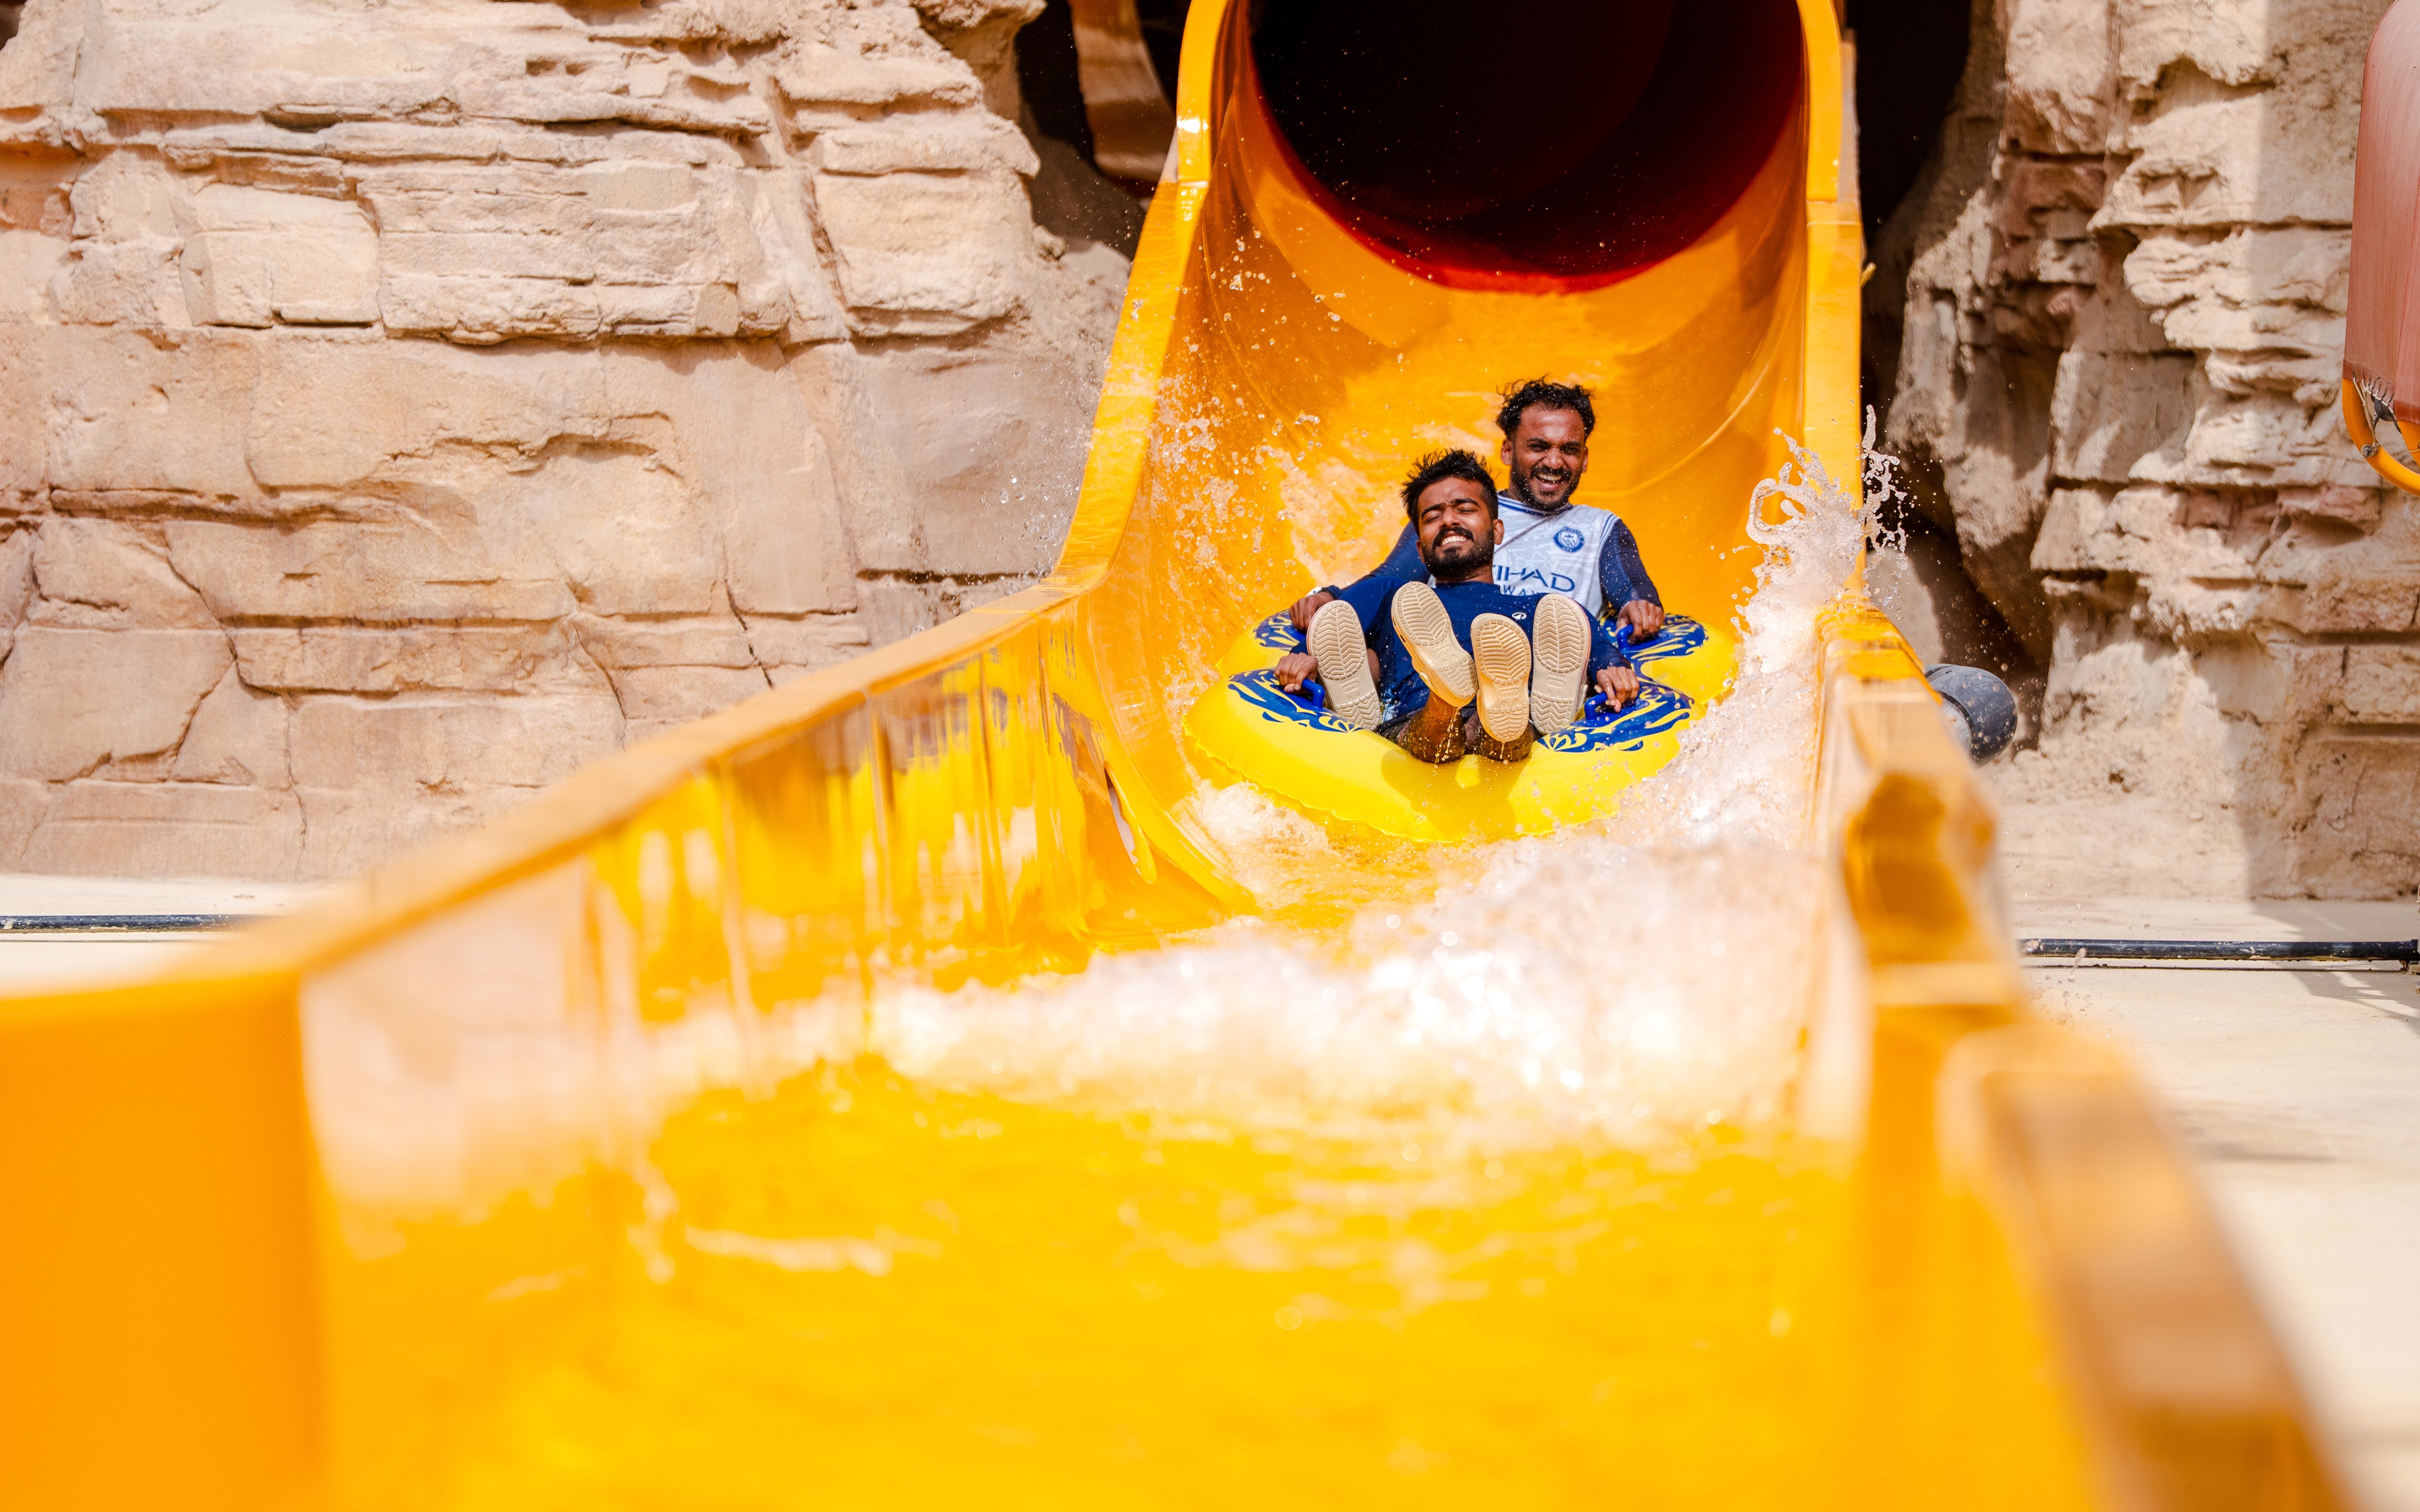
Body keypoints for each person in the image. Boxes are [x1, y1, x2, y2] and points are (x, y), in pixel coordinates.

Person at [1275, 450, 1636, 765]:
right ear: (1419, 549)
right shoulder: (1395, 595)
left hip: (1510, 724)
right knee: (1436, 725)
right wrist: (1301, 658)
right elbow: (1331, 631)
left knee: (1502, 720)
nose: (1448, 520)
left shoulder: (1543, 608)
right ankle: (1447, 696)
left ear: (1497, 531)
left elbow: (1594, 644)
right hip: (1414, 724)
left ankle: (1499, 705)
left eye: (1464, 509)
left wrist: (1611, 668)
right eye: (1432, 517)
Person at [1288, 378, 1665, 642]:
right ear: (1507, 451)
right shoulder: (1457, 512)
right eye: (1538, 446)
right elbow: (1395, 575)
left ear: (1584, 459)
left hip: (1545, 661)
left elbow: (1634, 592)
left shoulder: (1600, 528)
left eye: (1569, 450)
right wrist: (1335, 597)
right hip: (1449, 651)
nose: (1554, 461)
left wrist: (1642, 607)